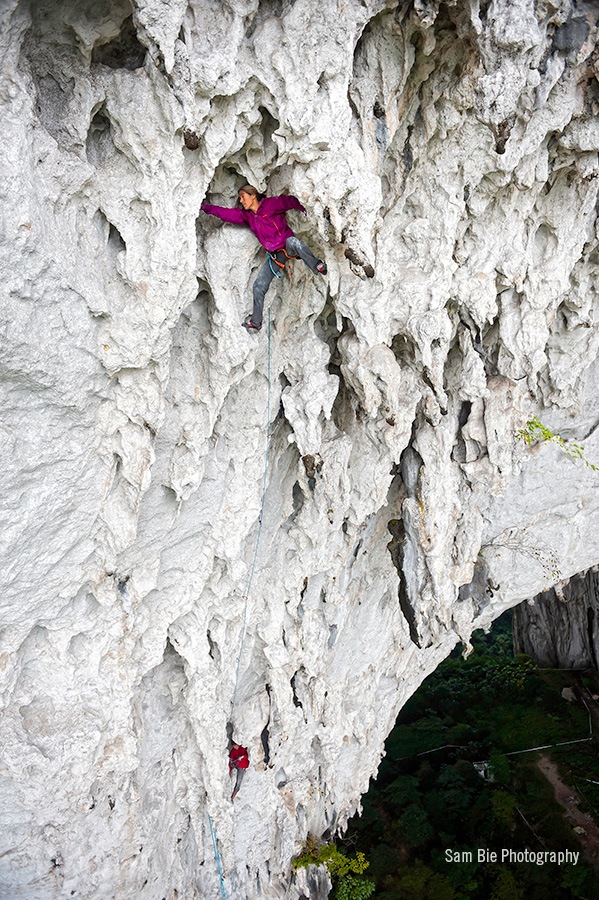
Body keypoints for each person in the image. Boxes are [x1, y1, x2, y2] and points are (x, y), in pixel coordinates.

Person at [201, 185, 327, 333]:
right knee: (258, 287)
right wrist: (205, 207)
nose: (241, 200)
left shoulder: (270, 205)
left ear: (253, 195)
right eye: (240, 198)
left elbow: (289, 201)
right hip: (275, 256)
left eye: (243, 196)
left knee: (294, 242)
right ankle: (256, 323)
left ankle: (317, 265)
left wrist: (305, 209)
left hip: (287, 247)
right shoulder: (248, 216)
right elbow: (226, 214)